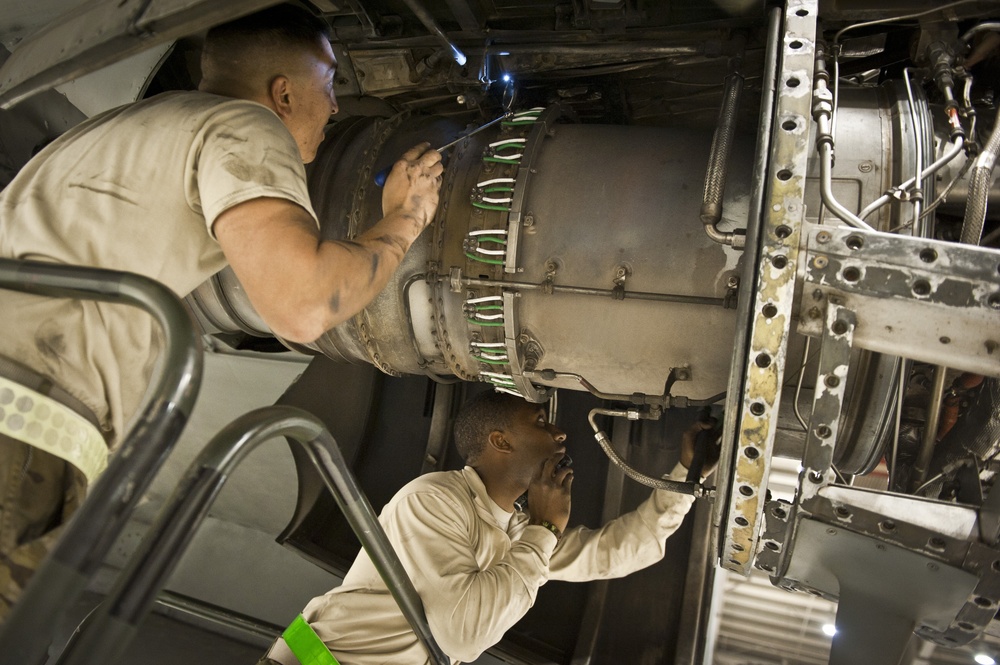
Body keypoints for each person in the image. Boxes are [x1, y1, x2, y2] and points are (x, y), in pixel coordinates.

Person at [0, 3, 443, 620]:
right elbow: (303, 304)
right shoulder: (245, 126)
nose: (337, 106)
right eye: (330, 82)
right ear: (283, 93)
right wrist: (405, 218)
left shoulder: (120, 127)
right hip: (27, 419)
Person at [261, 390, 713, 665]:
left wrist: (686, 475)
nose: (561, 433)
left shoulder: (516, 529)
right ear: (500, 441)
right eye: (540, 422)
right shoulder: (432, 499)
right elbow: (464, 632)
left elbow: (621, 550)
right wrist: (543, 530)